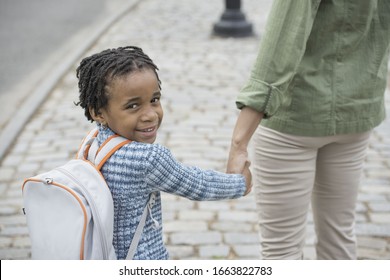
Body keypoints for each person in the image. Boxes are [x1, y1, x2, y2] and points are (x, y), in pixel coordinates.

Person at [227, 0, 390, 260]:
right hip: (356, 110)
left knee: (282, 251)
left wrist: (239, 143)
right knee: (339, 239)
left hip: (295, 116)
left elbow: (280, 48)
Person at [75, 46, 252, 260]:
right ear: (98, 112)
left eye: (154, 100)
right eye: (133, 106)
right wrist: (240, 183)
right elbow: (197, 184)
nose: (150, 115)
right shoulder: (148, 159)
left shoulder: (92, 142)